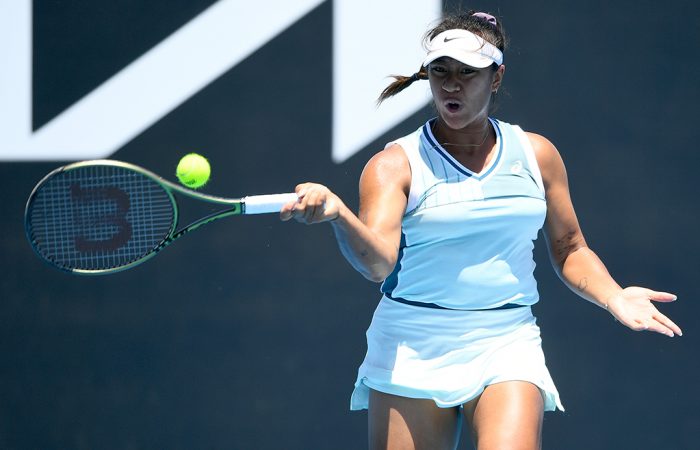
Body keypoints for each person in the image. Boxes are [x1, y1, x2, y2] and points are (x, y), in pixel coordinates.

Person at [280, 10, 682, 450]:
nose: (451, 85)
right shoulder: (393, 165)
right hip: (411, 343)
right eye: (440, 71)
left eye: (467, 73)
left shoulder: (537, 154)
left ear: (496, 77)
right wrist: (340, 217)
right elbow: (377, 264)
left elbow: (569, 247)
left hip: (506, 340)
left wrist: (613, 295)